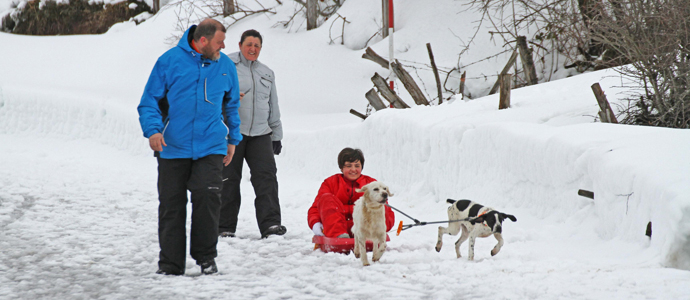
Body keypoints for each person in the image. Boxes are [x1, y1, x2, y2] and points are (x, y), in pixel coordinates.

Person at [137, 19, 242, 276]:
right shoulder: (169, 61)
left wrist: (233, 140)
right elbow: (149, 100)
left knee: (208, 198)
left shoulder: (225, 66)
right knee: (172, 205)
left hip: (211, 145)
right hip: (173, 146)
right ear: (203, 41)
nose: (224, 47)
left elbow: (231, 106)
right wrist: (152, 130)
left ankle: (206, 257)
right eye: (219, 42)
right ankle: (170, 264)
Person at [219, 29, 286, 239]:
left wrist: (276, 134)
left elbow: (273, 106)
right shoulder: (225, 65)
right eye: (249, 44)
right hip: (232, 134)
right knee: (228, 180)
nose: (252, 49)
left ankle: (271, 225)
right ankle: (224, 227)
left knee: (267, 179)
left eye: (257, 46)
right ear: (240, 45)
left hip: (260, 133)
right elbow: (212, 93)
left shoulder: (266, 73)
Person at [307, 148, 395, 238]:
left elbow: (386, 210)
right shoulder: (330, 183)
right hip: (337, 226)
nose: (353, 169)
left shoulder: (371, 184)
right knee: (326, 198)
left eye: (357, 166)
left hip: (365, 227)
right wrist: (316, 224)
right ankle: (340, 236)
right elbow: (315, 209)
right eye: (348, 166)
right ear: (341, 168)